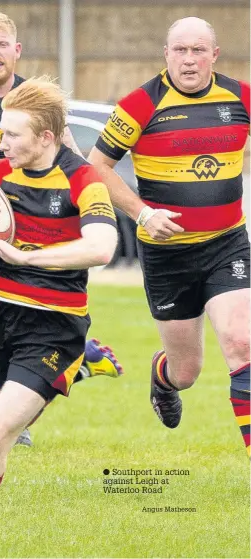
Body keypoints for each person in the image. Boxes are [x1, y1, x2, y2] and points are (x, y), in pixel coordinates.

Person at [0, 77, 118, 551]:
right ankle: (80, 369)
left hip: (56, 326)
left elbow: (103, 247)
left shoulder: (82, 179)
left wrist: (26, 257)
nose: (0, 143)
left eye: (11, 135)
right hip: (4, 319)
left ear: (46, 138)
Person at [0, 7, 123, 447]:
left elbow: (67, 150)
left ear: (16, 51)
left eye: (3, 45)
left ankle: (39, 385)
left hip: (31, 223)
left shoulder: (35, 99)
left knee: (25, 318)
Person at [88, 17, 250, 456]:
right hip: (168, 256)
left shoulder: (240, 97)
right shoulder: (140, 104)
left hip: (227, 244)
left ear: (215, 55)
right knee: (187, 371)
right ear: (166, 54)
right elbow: (96, 166)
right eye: (180, 50)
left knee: (242, 343)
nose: (190, 60)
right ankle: (163, 381)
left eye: (199, 50)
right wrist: (142, 214)